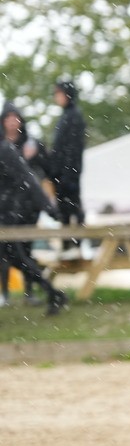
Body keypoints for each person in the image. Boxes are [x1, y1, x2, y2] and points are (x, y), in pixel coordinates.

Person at [0, 125, 68, 315]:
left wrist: (48, 208)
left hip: (8, 216)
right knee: (17, 259)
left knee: (17, 258)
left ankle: (52, 293)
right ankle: (53, 293)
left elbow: (27, 179)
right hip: (5, 214)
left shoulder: (5, 150)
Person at [0, 102, 47, 306]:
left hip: (27, 207)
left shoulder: (31, 144)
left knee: (25, 250)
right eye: (8, 118)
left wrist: (31, 158)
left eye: (15, 118)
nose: (12, 122)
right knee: (4, 252)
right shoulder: (2, 146)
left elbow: (40, 174)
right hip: (6, 207)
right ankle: (5, 294)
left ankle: (30, 292)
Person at [41, 79, 86, 250]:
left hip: (69, 174)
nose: (56, 97)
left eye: (58, 93)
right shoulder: (66, 116)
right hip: (62, 174)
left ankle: (75, 245)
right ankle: (69, 245)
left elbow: (72, 149)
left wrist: (67, 173)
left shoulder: (73, 116)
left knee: (72, 209)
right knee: (65, 210)